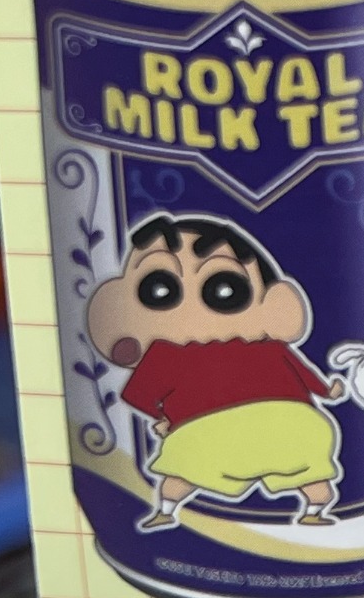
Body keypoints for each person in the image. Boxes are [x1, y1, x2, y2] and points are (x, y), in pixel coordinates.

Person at [86, 216, 340, 533]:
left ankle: (166, 510)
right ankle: (315, 509)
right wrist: (327, 391)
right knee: (309, 470)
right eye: (159, 290)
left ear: (275, 305)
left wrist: (161, 418)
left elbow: (138, 394)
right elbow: (305, 375)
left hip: (216, 431)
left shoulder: (167, 356)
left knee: (181, 470)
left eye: (225, 291)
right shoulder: (265, 348)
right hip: (286, 424)